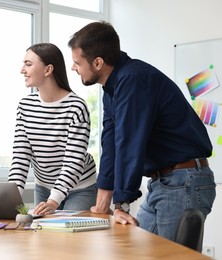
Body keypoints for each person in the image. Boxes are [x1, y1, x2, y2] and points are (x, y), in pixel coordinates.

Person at [68, 21, 216, 241]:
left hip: (183, 181)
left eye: (77, 62)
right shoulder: (111, 88)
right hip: (163, 183)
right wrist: (102, 205)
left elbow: (129, 144)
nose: (73, 68)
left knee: (170, 258)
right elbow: (110, 145)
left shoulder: (133, 79)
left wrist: (122, 204)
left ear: (98, 62)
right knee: (136, 250)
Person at [8, 43, 97, 215]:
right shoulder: (25, 106)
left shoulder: (76, 107)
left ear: (48, 70)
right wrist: (9, 200)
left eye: (28, 64)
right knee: (42, 236)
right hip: (44, 186)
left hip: (80, 187)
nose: (22, 70)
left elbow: (74, 160)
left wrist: (53, 201)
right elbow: (21, 156)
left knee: (70, 236)